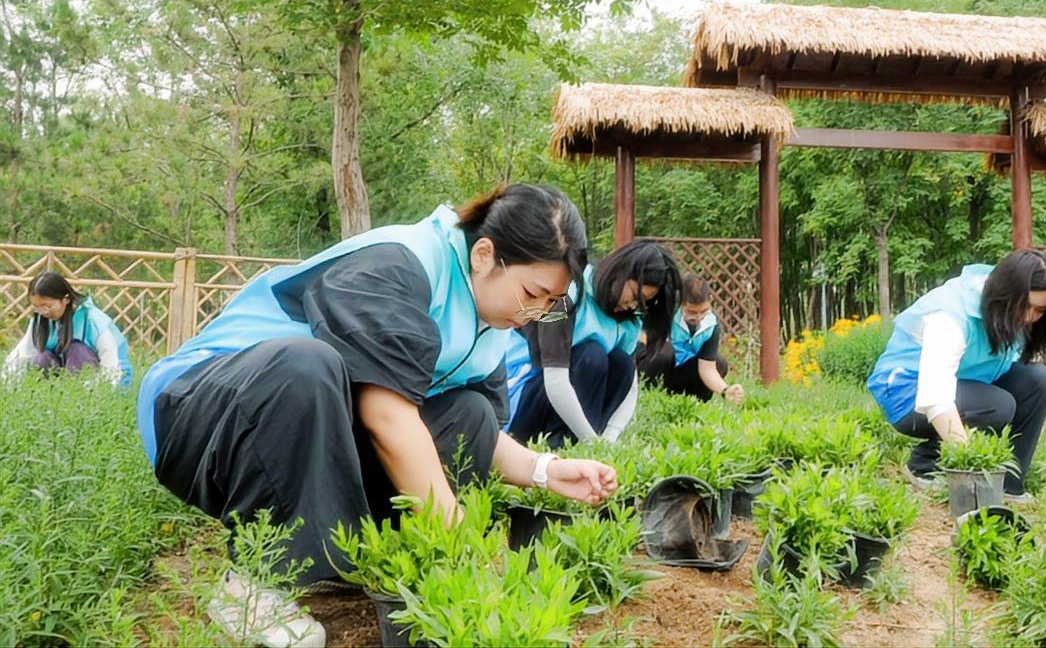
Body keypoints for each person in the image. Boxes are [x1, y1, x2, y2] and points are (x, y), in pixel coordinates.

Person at [136, 184, 619, 647]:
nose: (535, 313)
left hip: (307, 418)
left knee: (469, 412)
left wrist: (545, 470)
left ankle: (371, 560)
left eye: (550, 304)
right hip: (197, 411)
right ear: (484, 255)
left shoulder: (489, 327)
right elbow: (387, 418)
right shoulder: (402, 264)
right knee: (309, 365)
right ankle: (253, 581)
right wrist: (459, 545)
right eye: (532, 293)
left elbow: (481, 433)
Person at [866, 249, 1046, 502]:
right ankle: (926, 464)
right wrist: (969, 465)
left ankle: (1008, 484)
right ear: (1005, 297)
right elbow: (935, 397)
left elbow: (1037, 350)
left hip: (966, 386)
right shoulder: (950, 317)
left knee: (1039, 379)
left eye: (1039, 310)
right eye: (1024, 307)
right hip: (907, 391)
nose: (1029, 317)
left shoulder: (1012, 308)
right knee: (998, 405)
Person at [505, 240, 680, 448]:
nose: (632, 305)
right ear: (620, 272)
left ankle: (576, 444)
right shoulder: (568, 292)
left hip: (568, 405)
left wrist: (608, 439)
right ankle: (559, 444)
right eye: (634, 296)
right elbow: (555, 380)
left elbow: (631, 386)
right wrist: (591, 442)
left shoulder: (629, 320)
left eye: (642, 303)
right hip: (523, 396)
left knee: (621, 363)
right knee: (591, 355)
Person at [4, 272, 133, 388]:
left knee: (76, 349)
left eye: (47, 307)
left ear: (66, 299)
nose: (43, 312)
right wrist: (7, 384)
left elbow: (111, 362)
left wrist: (100, 388)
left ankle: (77, 395)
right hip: (62, 381)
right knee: (42, 357)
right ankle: (49, 397)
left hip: (98, 381)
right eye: (37, 308)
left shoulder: (91, 318)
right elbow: (22, 354)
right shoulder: (40, 320)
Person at [637, 273, 744, 403]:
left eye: (703, 311)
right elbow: (641, 338)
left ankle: (694, 403)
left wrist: (725, 390)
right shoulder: (664, 309)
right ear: (680, 303)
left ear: (710, 300)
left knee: (719, 363)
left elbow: (707, 368)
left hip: (679, 370)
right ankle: (648, 395)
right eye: (691, 312)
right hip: (652, 363)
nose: (698, 317)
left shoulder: (710, 324)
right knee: (664, 352)